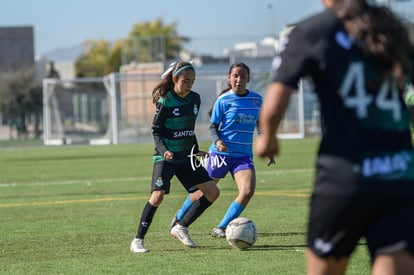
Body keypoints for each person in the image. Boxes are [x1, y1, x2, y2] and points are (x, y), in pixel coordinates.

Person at [254, 0, 414, 274]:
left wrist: (267, 138)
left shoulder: (312, 30)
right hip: (398, 175)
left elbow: (274, 105)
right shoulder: (393, 27)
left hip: (345, 177)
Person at [169, 62, 275, 238]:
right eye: (235, 76)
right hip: (220, 156)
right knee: (201, 191)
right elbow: (213, 127)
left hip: (243, 157)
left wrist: (268, 145)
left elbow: (260, 126)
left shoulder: (257, 100)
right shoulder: (223, 100)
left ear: (248, 78)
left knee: (247, 192)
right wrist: (217, 141)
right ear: (229, 78)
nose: (238, 79)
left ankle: (222, 227)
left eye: (242, 76)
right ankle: (179, 217)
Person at [130, 61, 220, 253]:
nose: (190, 85)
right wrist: (164, 151)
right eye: (186, 81)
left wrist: (195, 151)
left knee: (212, 192)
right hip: (166, 157)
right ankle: (138, 240)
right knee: (157, 196)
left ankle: (181, 226)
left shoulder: (195, 99)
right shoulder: (166, 101)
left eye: (192, 81)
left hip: (186, 157)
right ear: (175, 79)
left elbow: (188, 130)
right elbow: (156, 131)